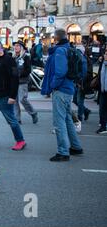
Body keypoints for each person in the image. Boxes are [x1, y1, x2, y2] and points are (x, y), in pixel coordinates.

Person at [41, 28, 84, 162]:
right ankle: (76, 147)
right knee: (67, 119)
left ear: (56, 38)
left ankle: (63, 152)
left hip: (61, 89)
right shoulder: (70, 49)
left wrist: (53, 85)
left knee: (59, 121)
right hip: (68, 88)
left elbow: (60, 72)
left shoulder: (60, 51)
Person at [13, 41, 38, 124]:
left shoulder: (26, 57)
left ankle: (33, 113)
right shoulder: (13, 57)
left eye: (17, 46)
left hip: (22, 82)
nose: (15, 47)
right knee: (14, 100)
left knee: (22, 99)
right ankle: (17, 119)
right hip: (13, 82)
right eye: (15, 46)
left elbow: (28, 70)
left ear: (21, 48)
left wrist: (18, 74)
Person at [72, 45, 91, 122]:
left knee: (79, 100)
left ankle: (80, 117)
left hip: (81, 83)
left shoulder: (82, 59)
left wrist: (79, 80)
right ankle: (86, 111)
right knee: (76, 100)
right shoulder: (80, 58)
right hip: (79, 82)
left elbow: (84, 73)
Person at [95, 50, 107, 134]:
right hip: (103, 90)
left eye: (106, 54)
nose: (104, 55)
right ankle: (103, 126)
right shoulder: (103, 63)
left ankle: (103, 126)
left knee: (103, 108)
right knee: (102, 108)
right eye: (105, 53)